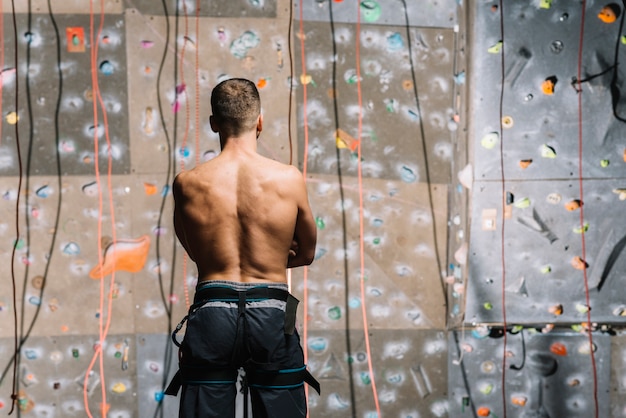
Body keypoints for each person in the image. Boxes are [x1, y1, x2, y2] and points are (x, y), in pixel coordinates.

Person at [165, 78, 320, 418]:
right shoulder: (288, 178)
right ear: (260, 121)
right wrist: (273, 253)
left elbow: (195, 250)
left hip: (212, 312)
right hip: (273, 313)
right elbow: (307, 253)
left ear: (213, 123)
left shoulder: (187, 183)